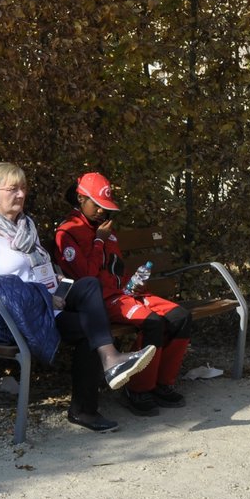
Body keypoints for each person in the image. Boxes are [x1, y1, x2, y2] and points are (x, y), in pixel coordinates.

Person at [0, 162, 156, 432]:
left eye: (23, 189)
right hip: (18, 316)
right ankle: (101, 378)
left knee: (88, 286)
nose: (20, 195)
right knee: (90, 326)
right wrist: (41, 295)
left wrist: (54, 288)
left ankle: (104, 371)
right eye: (13, 189)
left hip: (49, 304)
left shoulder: (26, 225)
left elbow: (38, 269)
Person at [56, 172, 192, 417]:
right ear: (80, 198)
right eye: (96, 205)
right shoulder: (68, 232)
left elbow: (116, 268)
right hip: (100, 301)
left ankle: (162, 385)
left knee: (181, 317)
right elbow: (87, 277)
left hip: (125, 293)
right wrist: (99, 241)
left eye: (105, 207)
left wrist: (135, 284)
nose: (101, 212)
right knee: (152, 323)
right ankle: (138, 389)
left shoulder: (105, 229)